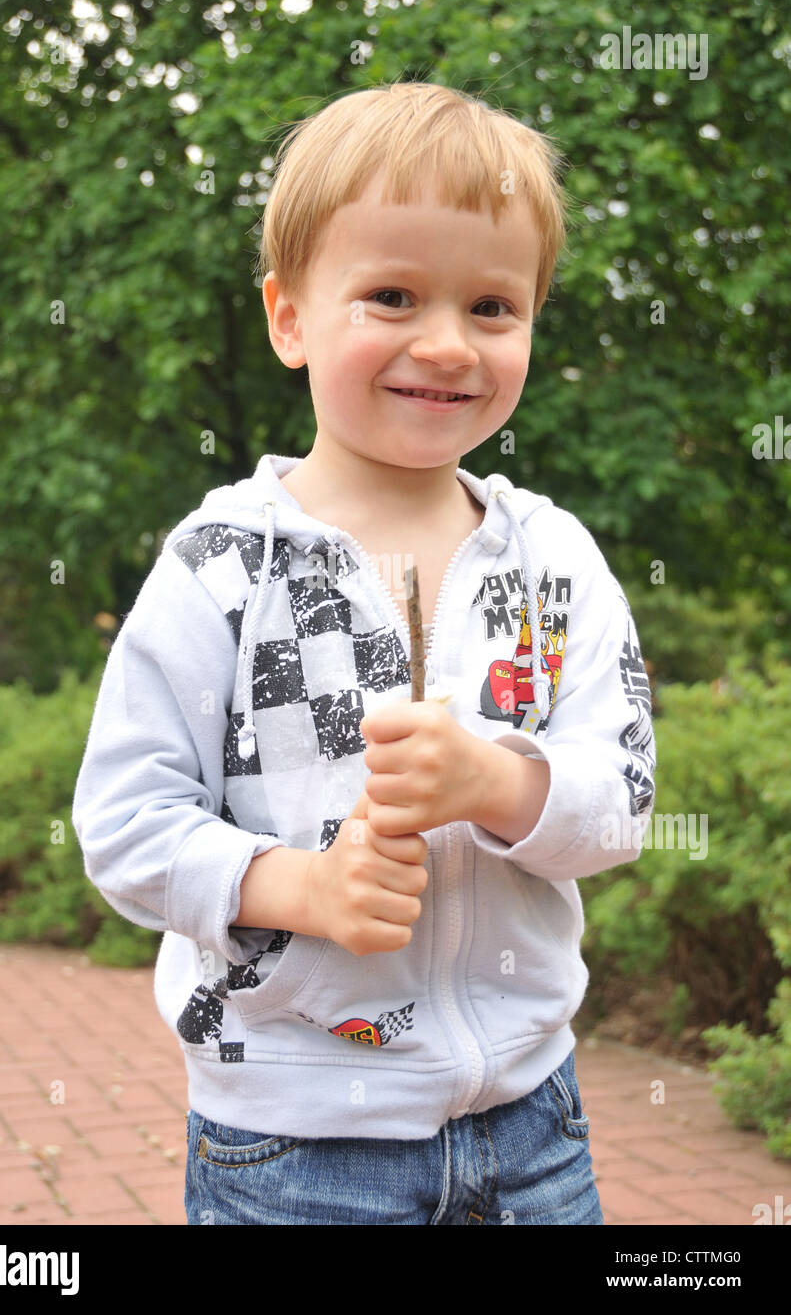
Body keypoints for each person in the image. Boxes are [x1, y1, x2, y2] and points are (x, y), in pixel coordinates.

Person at [72, 81, 657, 1225]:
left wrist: (498, 782)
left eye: (492, 306)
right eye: (390, 294)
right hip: (292, 1146)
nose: (445, 343)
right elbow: (127, 822)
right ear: (289, 319)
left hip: (535, 1122)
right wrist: (301, 887)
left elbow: (624, 798)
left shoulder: (554, 561)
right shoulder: (223, 562)